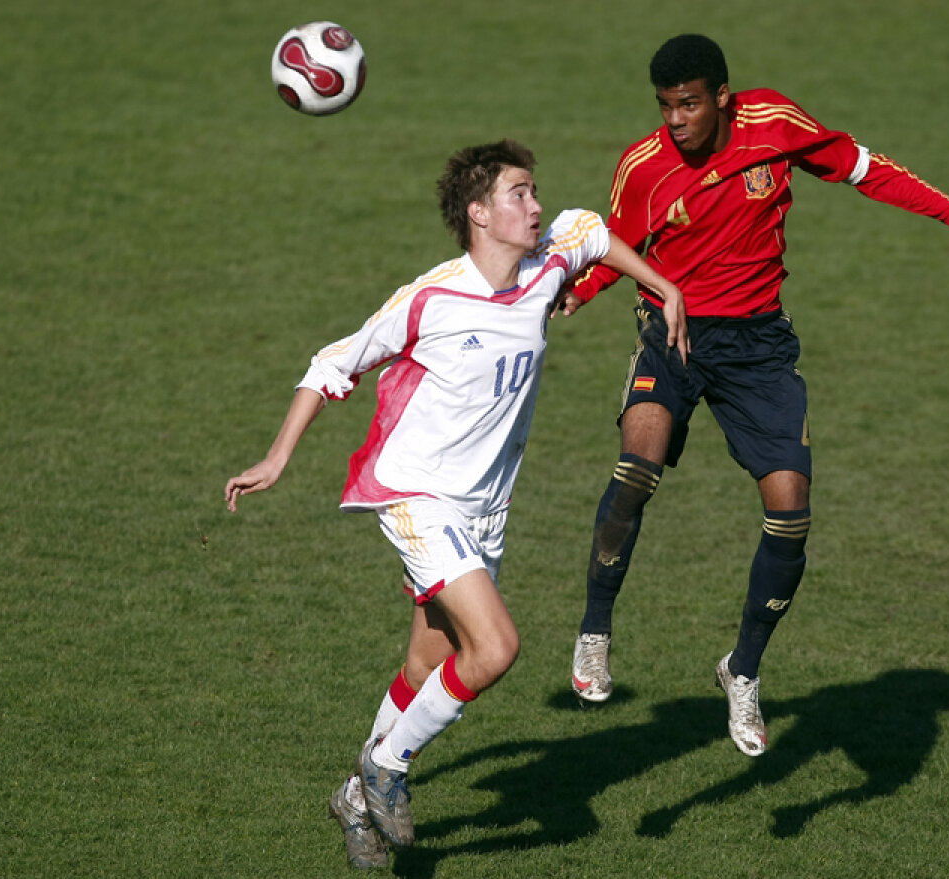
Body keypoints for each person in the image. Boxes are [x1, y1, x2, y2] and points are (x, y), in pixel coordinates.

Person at [224, 139, 686, 868]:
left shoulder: (547, 263)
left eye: (535, 193)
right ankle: (387, 769)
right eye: (518, 194)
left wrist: (667, 288)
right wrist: (277, 457)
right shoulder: (431, 297)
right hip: (416, 494)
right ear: (478, 213)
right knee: (496, 647)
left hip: (484, 513)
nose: (534, 206)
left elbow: (593, 232)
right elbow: (331, 361)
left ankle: (354, 792)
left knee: (424, 664)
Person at [565, 35, 949, 757]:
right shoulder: (644, 165)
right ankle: (595, 629)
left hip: (759, 350)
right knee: (637, 466)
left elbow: (863, 168)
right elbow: (612, 246)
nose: (676, 119)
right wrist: (571, 296)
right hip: (674, 337)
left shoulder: (775, 125)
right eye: (664, 106)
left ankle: (742, 669)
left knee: (790, 515)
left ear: (721, 96)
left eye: (688, 103)